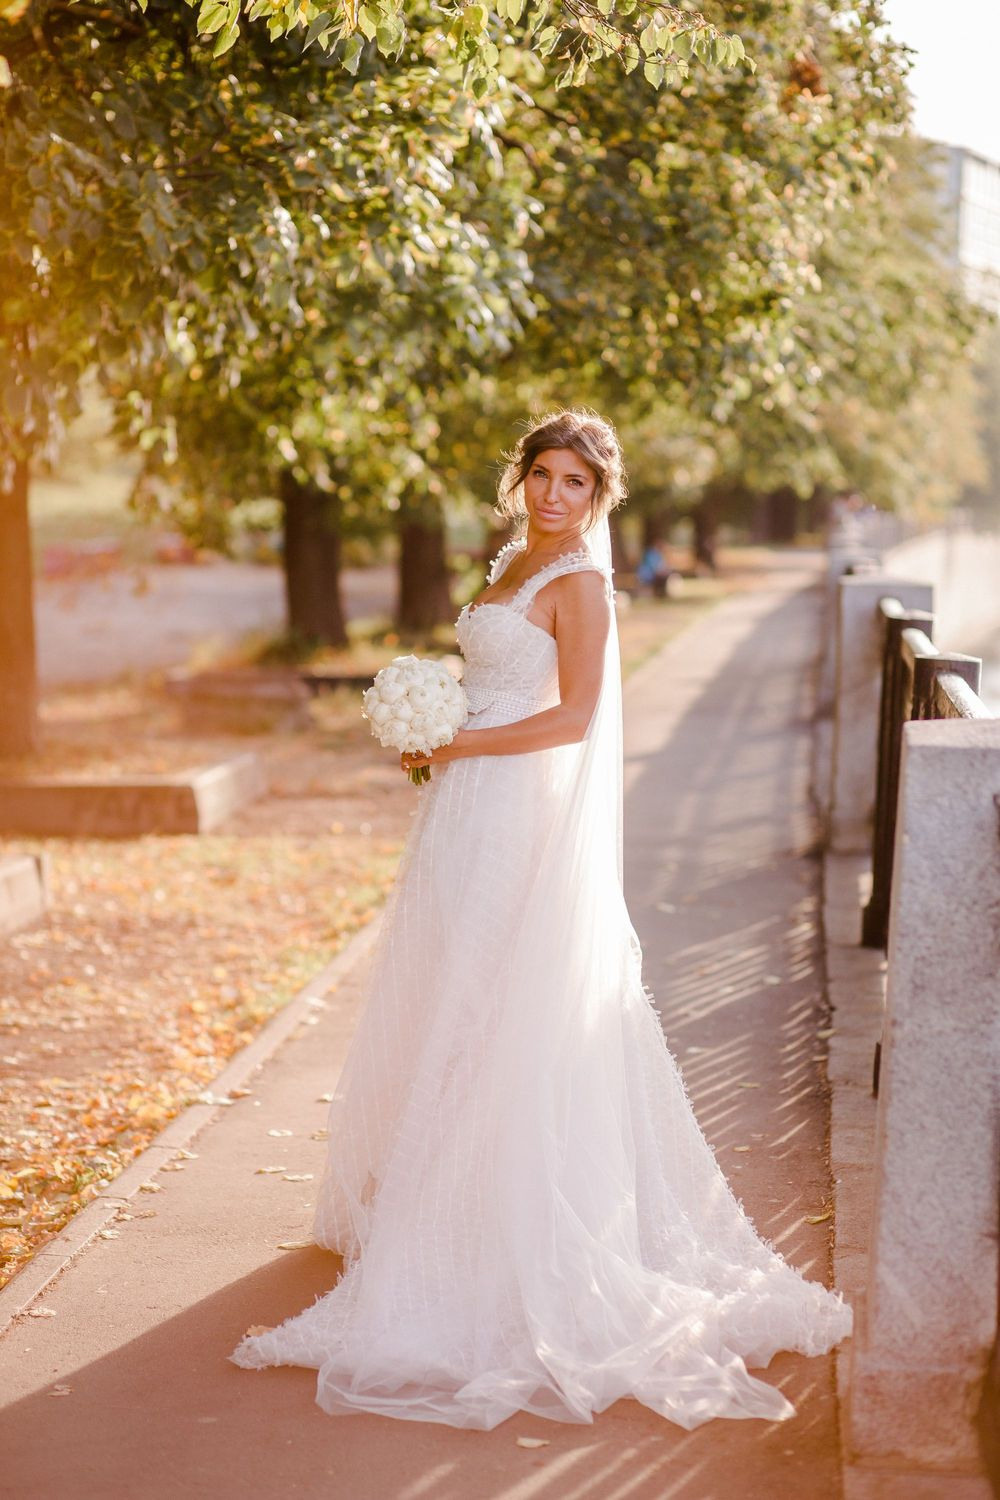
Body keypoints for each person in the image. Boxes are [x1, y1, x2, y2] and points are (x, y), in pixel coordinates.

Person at [230, 408, 852, 1430]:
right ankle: (427, 1201)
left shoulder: (581, 585)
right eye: (544, 475)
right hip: (464, 809)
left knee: (500, 996)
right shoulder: (512, 560)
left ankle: (484, 1224)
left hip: (515, 805)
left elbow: (573, 716)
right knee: (448, 986)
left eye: (575, 484)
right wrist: (430, 723)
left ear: (598, 499)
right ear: (521, 480)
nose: (555, 495)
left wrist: (460, 744)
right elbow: (490, 678)